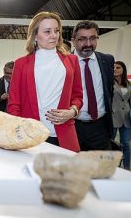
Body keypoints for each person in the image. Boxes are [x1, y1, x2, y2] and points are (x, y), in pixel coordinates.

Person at [7, 12, 83, 152]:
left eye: (57, 31)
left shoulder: (72, 61)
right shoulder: (21, 64)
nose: (54, 35)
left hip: (63, 134)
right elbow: (14, 104)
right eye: (47, 31)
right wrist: (16, 133)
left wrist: (72, 112)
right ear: (35, 35)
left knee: (66, 173)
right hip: (30, 135)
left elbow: (77, 96)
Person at [71, 20, 115, 151]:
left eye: (92, 38)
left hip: (100, 128)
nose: (88, 44)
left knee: (102, 170)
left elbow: (109, 91)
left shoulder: (107, 60)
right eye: (82, 39)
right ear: (74, 40)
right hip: (73, 127)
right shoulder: (64, 63)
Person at [112, 61, 131, 170]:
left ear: (123, 69)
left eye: (118, 67)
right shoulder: (109, 82)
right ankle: (112, 166)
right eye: (113, 68)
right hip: (112, 117)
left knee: (126, 144)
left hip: (127, 118)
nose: (115, 69)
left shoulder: (129, 84)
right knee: (110, 142)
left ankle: (126, 168)